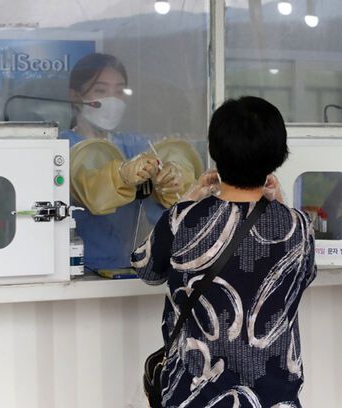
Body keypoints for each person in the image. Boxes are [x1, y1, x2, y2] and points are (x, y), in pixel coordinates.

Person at [131, 96, 316, 407]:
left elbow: (146, 269)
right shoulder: (298, 226)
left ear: (215, 152)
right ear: (278, 155)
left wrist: (190, 197)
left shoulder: (182, 219)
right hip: (272, 397)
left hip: (193, 394)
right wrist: (279, 202)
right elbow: (302, 277)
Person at [61, 53, 193, 271]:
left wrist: (171, 179)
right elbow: (87, 186)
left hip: (130, 268)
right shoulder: (63, 146)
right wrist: (121, 175)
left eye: (119, 91)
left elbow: (172, 200)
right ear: (75, 96)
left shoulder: (134, 145)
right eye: (100, 90)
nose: (112, 100)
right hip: (79, 270)